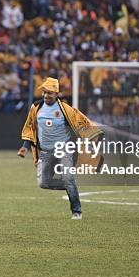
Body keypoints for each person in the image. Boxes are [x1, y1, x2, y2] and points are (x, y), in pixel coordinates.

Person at [17, 77, 103, 220]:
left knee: (68, 177)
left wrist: (93, 139)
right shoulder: (36, 108)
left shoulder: (65, 109)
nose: (46, 95)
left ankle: (76, 211)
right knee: (43, 183)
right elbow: (29, 128)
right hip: (45, 152)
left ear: (57, 94)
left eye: (49, 93)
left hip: (64, 149)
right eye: (44, 92)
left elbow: (81, 122)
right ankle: (71, 186)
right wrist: (25, 147)